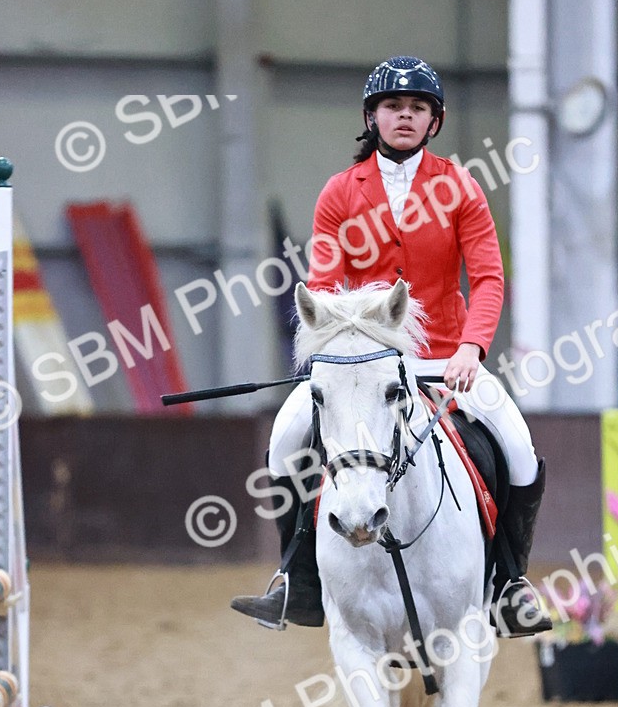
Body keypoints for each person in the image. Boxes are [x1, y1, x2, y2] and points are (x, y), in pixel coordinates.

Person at [232, 55, 551, 637]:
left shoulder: (460, 188)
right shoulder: (340, 192)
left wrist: (473, 348)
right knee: (283, 440)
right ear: (371, 117)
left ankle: (510, 582)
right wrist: (333, 353)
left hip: (445, 359)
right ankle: (295, 578)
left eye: (417, 108)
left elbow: (487, 278)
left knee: (519, 448)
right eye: (393, 106)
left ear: (435, 120)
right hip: (364, 364)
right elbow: (324, 286)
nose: (405, 116)